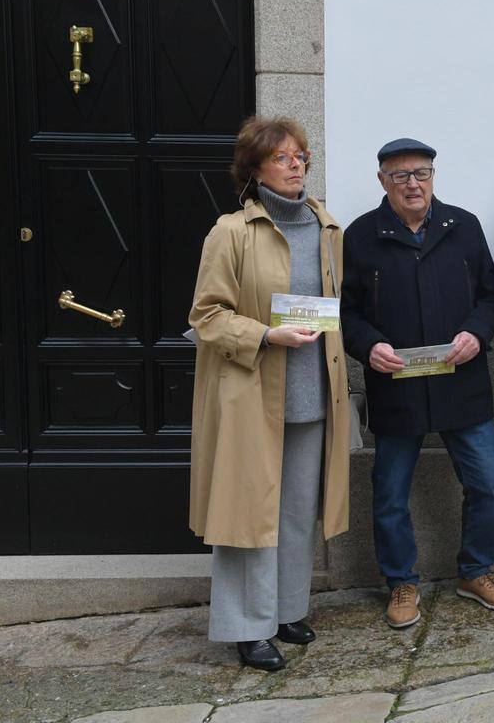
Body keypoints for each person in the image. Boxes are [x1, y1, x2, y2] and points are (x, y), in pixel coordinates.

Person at [189, 116, 350, 671]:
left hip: (312, 394)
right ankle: (246, 627)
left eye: (301, 155)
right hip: (252, 394)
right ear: (254, 168)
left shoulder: (328, 229)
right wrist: (264, 334)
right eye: (281, 157)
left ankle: (285, 610)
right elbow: (206, 316)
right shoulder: (231, 231)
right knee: (248, 512)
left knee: (298, 511)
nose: (295, 164)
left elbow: (334, 309)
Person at [341, 137, 494, 629]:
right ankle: (401, 582)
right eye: (401, 175)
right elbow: (346, 311)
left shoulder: (463, 227)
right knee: (390, 492)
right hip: (395, 387)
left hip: (462, 382)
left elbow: (492, 295)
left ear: (434, 176)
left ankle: (476, 572)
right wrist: (368, 344)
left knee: (487, 484)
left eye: (422, 173)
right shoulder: (360, 237)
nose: (413, 184)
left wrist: (477, 334)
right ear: (382, 181)